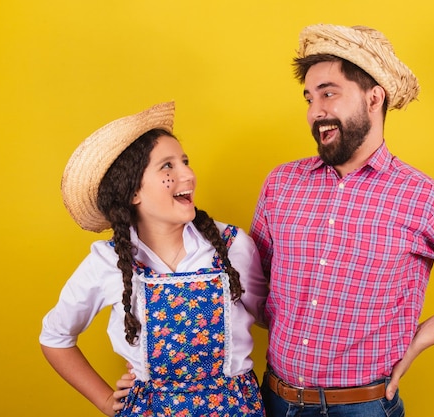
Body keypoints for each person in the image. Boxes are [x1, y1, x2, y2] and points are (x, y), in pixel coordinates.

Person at [249, 24, 434, 416]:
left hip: (360, 408)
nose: (316, 112)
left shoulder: (426, 199)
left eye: (329, 93)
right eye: (310, 98)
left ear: (373, 98)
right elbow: (250, 286)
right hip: (272, 399)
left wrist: (419, 339)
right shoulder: (281, 183)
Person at [39, 101, 268, 417]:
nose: (188, 174)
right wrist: (104, 400)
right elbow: (55, 337)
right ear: (133, 192)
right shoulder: (109, 262)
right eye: (168, 166)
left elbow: (272, 317)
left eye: (185, 161)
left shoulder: (233, 246)